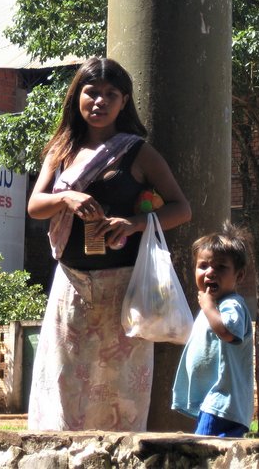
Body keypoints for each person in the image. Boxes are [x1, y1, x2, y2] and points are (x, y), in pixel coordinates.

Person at [26, 57, 191, 431]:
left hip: (124, 290)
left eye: (110, 94)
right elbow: (36, 206)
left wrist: (134, 224)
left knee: (121, 396)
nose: (99, 101)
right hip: (72, 286)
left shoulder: (138, 152)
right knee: (63, 388)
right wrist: (66, 199)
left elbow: (182, 209)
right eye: (91, 92)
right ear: (77, 97)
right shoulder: (61, 150)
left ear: (124, 101)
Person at [171, 222, 254, 438]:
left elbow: (228, 332)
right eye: (203, 266)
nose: (210, 273)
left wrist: (208, 307)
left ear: (239, 275)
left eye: (220, 267)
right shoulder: (214, 305)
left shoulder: (231, 304)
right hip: (216, 402)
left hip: (223, 400)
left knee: (203, 451)